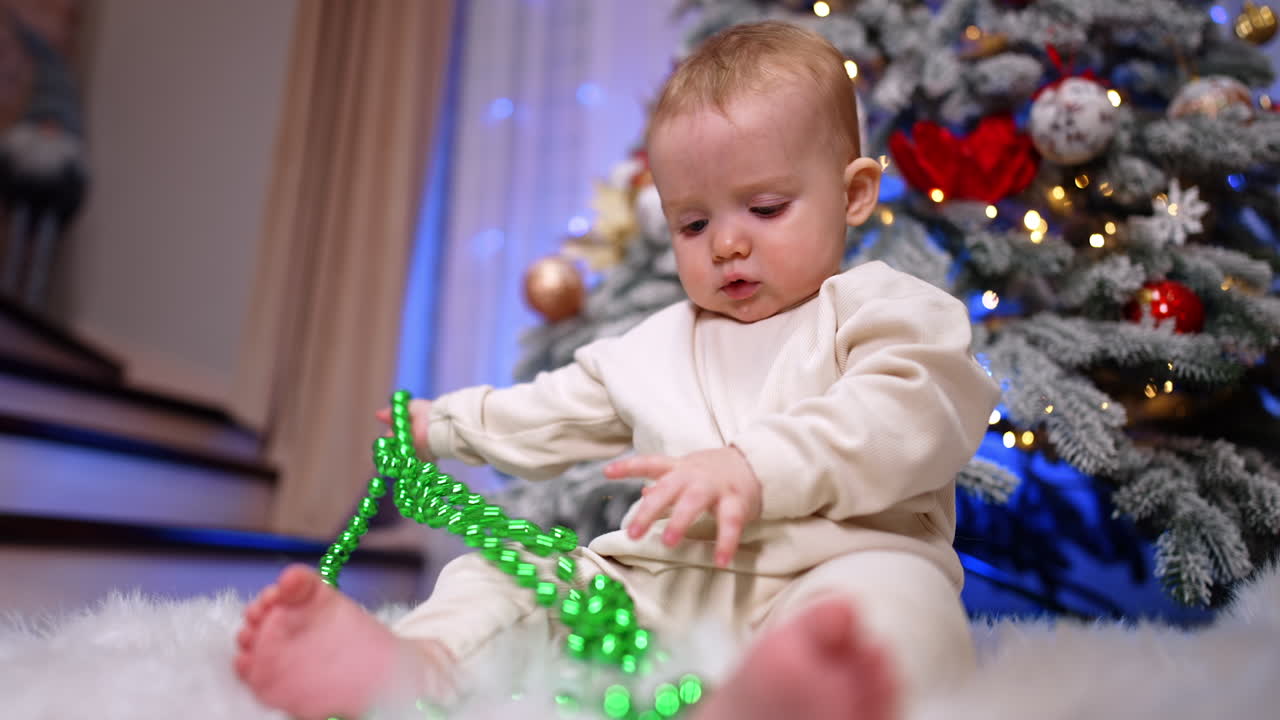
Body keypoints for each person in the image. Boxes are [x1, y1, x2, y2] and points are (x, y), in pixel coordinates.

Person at [234, 20, 1000, 720]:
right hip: (660, 590)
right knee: (507, 577)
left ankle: (781, 696)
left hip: (833, 573)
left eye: (765, 208)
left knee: (900, 609)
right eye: (694, 223)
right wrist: (447, 425)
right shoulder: (653, 344)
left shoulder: (888, 310)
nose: (726, 244)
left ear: (854, 193)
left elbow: (907, 414)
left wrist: (753, 467)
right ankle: (411, 667)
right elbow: (551, 408)